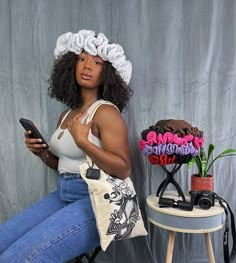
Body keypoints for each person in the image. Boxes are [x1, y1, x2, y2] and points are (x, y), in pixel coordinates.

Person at [0, 29, 133, 262]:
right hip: (64, 194)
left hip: (96, 201)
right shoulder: (66, 115)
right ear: (70, 65)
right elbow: (67, 165)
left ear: (108, 72)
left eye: (97, 61)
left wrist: (83, 141)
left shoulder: (106, 112)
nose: (87, 66)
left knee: (18, 258)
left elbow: (123, 169)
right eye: (81, 59)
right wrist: (43, 154)